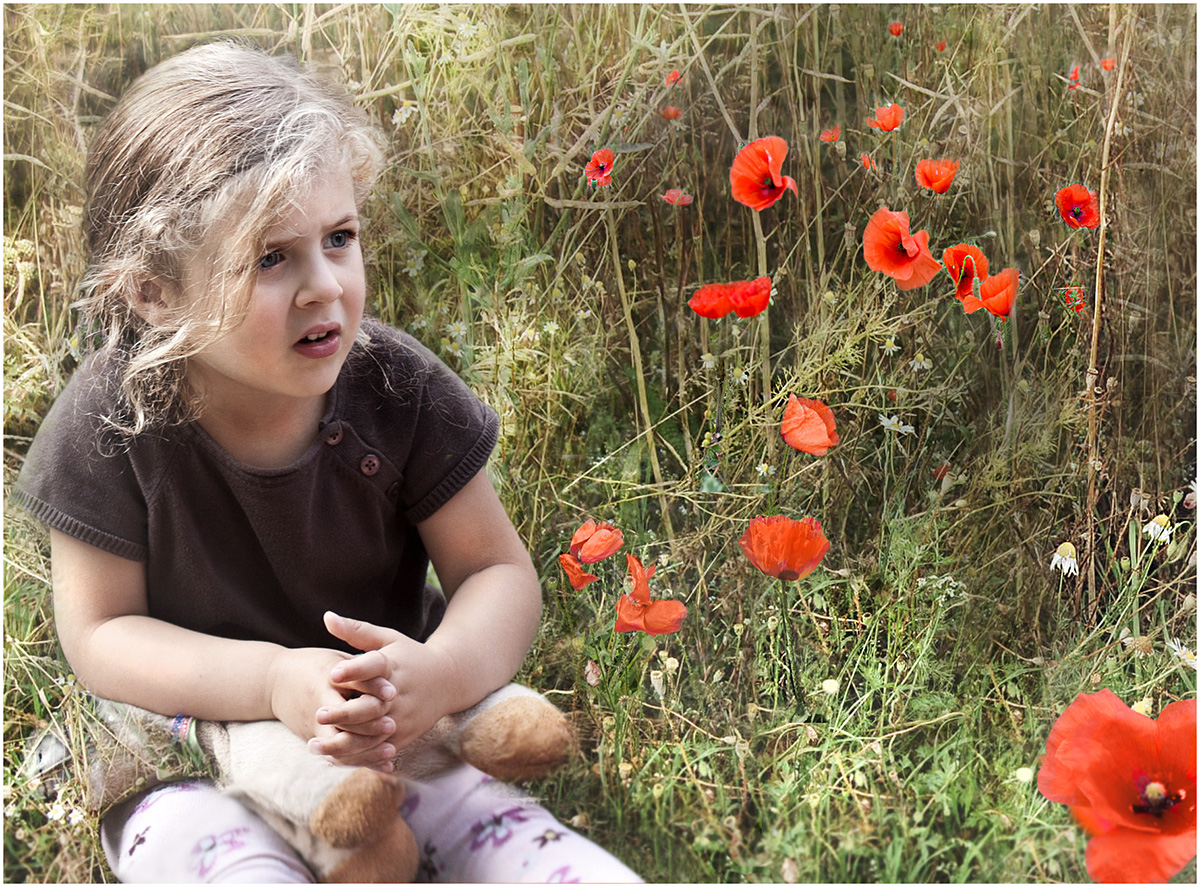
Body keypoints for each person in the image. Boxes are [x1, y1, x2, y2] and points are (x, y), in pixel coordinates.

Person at [13, 40, 640, 884]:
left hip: (391, 739)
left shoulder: (397, 388)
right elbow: (100, 635)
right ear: (154, 292)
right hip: (189, 760)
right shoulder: (109, 421)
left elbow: (496, 570)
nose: (324, 287)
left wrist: (442, 670)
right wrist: (271, 677)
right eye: (271, 258)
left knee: (549, 866)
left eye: (338, 238)